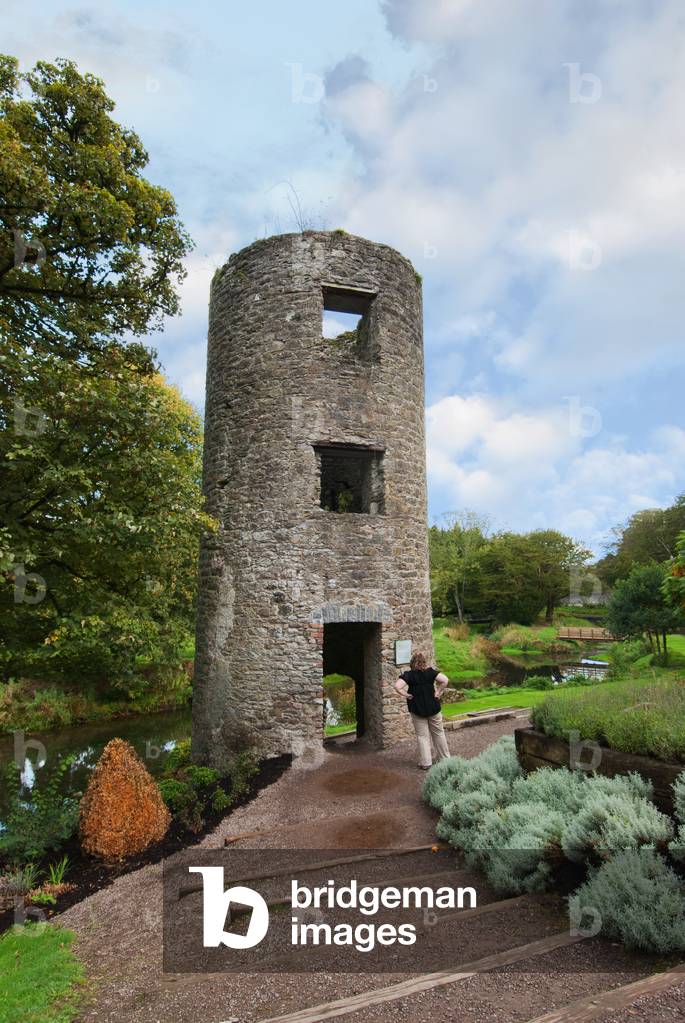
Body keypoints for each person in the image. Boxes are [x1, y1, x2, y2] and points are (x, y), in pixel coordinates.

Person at [393, 652, 451, 770]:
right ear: (424, 662)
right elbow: (445, 680)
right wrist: (438, 692)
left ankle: (426, 763)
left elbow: (397, 686)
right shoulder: (430, 672)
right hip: (433, 707)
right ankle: (445, 759)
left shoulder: (409, 675)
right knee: (438, 733)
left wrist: (407, 695)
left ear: (412, 662)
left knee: (422, 736)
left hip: (417, 708)